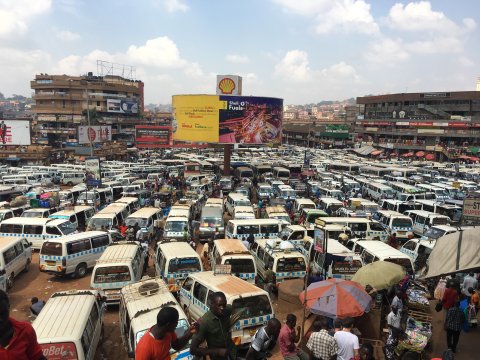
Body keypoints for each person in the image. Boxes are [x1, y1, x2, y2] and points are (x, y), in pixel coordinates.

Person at [0, 290, 46, 360]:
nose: (0, 319)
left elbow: (37, 357)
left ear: (9, 306)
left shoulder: (25, 330)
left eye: (2, 313)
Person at [190, 292, 237, 360]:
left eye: (224, 305)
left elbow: (232, 307)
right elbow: (193, 350)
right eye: (219, 305)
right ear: (212, 305)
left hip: (231, 352)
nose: (222, 308)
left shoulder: (227, 310)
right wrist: (217, 351)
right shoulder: (204, 322)